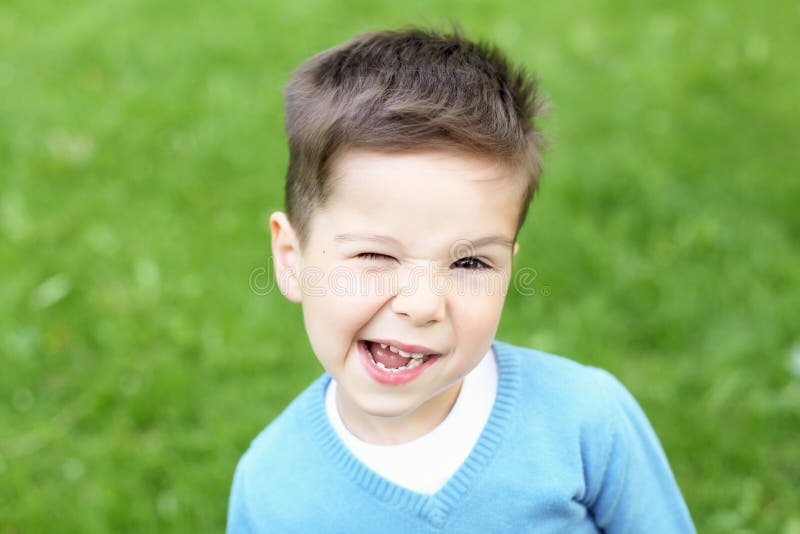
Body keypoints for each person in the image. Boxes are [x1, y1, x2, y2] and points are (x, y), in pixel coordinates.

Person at [226, 27, 696, 533]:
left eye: (470, 264)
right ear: (292, 259)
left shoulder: (585, 421)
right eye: (375, 254)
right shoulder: (272, 489)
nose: (423, 304)